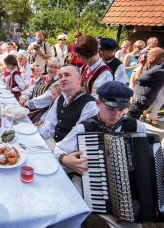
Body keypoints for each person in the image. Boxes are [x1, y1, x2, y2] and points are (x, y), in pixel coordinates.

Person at [54, 80, 146, 228]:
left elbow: (145, 154)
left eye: (121, 109)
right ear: (98, 103)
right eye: (110, 108)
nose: (116, 115)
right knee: (69, 213)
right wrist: (64, 159)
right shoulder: (84, 128)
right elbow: (59, 149)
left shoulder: (136, 126)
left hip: (126, 187)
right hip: (89, 179)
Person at [38, 65, 98, 150]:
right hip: (54, 145)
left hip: (71, 155)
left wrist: (57, 154)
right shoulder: (60, 99)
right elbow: (49, 125)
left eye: (67, 75)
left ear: (79, 79)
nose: (62, 79)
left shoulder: (90, 104)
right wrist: (35, 134)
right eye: (60, 76)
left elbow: (77, 140)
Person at [19, 57, 60, 123]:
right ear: (47, 67)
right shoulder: (42, 77)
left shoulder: (57, 83)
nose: (52, 69)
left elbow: (45, 98)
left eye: (55, 67)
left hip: (40, 111)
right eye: (50, 66)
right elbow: (32, 88)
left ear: (59, 69)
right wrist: (24, 98)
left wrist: (26, 103)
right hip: (29, 106)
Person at [127, 47, 164, 119]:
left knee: (127, 122)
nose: (147, 58)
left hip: (140, 101)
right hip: (145, 100)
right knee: (133, 122)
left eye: (148, 55)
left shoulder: (158, 69)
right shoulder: (159, 67)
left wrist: (141, 64)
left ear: (153, 57)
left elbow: (137, 78)